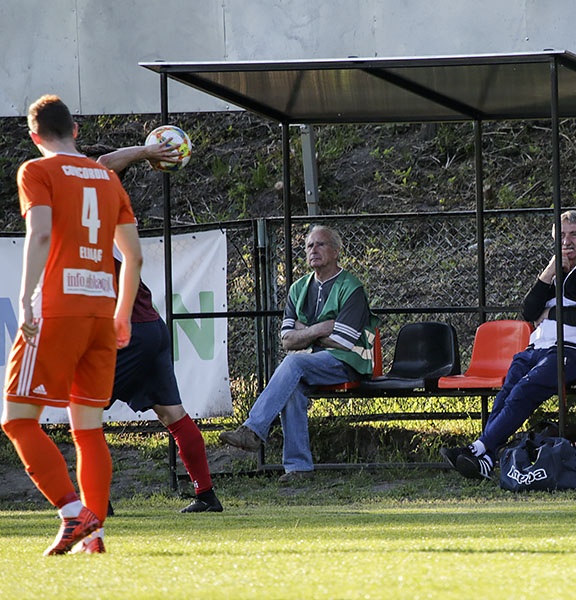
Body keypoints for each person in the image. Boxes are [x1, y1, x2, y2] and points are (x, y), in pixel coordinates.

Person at [2, 95, 143, 555]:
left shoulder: (36, 171)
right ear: (76, 130)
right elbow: (134, 256)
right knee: (88, 429)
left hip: (57, 310)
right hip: (102, 311)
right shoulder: (106, 176)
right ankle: (96, 533)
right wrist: (122, 313)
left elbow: (40, 232)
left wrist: (25, 300)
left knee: (17, 420)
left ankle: (71, 512)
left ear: (34, 136)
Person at [70, 144, 223, 514]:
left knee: (84, 412)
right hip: (151, 328)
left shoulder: (99, 212)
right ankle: (206, 495)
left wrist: (150, 150)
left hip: (131, 332)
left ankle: (96, 502)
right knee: (172, 413)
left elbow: (105, 164)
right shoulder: (105, 217)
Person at [441, 210, 576, 480]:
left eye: (574, 235)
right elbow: (529, 310)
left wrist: (550, 314)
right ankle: (486, 458)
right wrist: (548, 273)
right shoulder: (555, 273)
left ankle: (479, 448)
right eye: (561, 236)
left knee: (524, 390)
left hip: (573, 352)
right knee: (508, 390)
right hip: (537, 350)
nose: (567, 242)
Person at [219, 225, 379, 483]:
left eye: (320, 244)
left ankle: (253, 430)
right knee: (292, 386)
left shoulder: (351, 288)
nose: (313, 250)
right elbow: (286, 340)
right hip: (312, 362)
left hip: (348, 363)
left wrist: (304, 332)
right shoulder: (298, 288)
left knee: (294, 364)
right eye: (309, 246)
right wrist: (320, 328)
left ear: (336, 251)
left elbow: (343, 341)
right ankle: (299, 468)